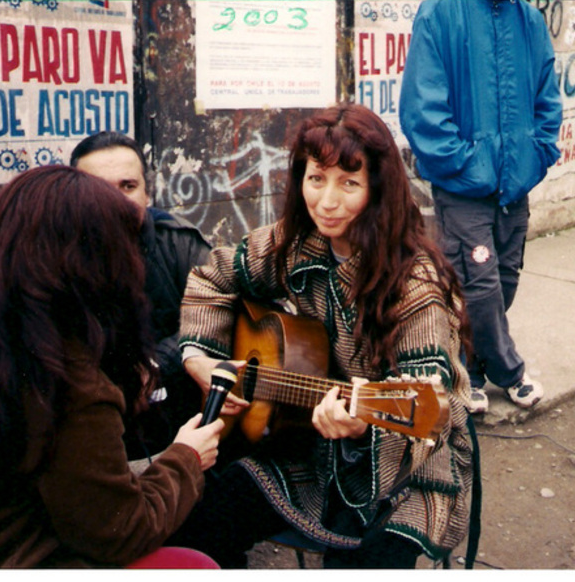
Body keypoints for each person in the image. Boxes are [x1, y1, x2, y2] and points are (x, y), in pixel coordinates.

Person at [168, 104, 474, 568]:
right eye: (316, 179)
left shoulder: (416, 287)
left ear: (377, 189)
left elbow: (429, 404)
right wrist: (200, 362)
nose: (327, 201)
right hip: (313, 447)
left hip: (410, 470)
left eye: (348, 183)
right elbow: (211, 279)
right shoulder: (296, 241)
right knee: (198, 520)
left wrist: (358, 425)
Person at [0, 165, 224, 568]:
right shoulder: (64, 378)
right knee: (195, 565)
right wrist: (186, 459)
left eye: (130, 184)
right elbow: (118, 531)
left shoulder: (1, 325)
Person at [399, 0, 562, 414]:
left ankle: (468, 367)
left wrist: (537, 153)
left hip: (516, 183)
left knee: (504, 279)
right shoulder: (440, 12)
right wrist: (466, 164)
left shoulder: (529, 19)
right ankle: (509, 371)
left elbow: (547, 99)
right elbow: (422, 108)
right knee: (480, 284)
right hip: (463, 186)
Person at [70, 132, 211, 462]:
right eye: (99, 189)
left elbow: (222, 310)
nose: (116, 201)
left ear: (148, 193)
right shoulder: (53, 259)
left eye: (128, 186)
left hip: (183, 435)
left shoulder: (177, 244)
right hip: (99, 448)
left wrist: (158, 362)